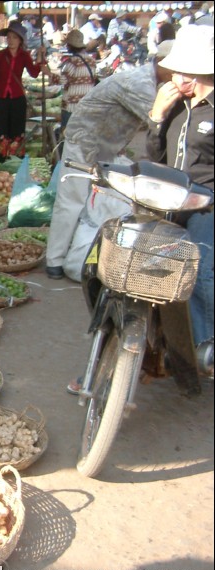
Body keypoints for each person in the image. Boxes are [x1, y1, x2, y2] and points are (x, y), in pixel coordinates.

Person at [45, 42, 175, 281]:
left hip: (106, 147)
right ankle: (55, 260)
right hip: (86, 142)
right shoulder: (141, 84)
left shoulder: (153, 82)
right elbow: (157, 121)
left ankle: (84, 255)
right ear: (164, 65)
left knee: (101, 202)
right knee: (71, 200)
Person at [146, 24, 213, 356]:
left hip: (207, 206)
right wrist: (156, 117)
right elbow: (155, 157)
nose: (177, 80)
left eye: (185, 73)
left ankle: (205, 346)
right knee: (141, 263)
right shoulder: (172, 104)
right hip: (169, 201)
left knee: (199, 272)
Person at [0, 22, 49, 158]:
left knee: (16, 129)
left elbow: (34, 73)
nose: (11, 40)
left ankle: (14, 159)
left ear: (20, 40)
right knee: (0, 129)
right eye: (9, 37)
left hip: (17, 98)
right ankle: (0, 158)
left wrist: (39, 56)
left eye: (14, 37)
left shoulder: (24, 55)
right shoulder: (0, 56)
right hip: (1, 98)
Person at [50, 29, 97, 134]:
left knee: (67, 136)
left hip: (71, 107)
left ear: (70, 46)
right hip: (86, 105)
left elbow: (62, 81)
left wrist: (49, 74)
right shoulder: (92, 61)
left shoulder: (71, 62)